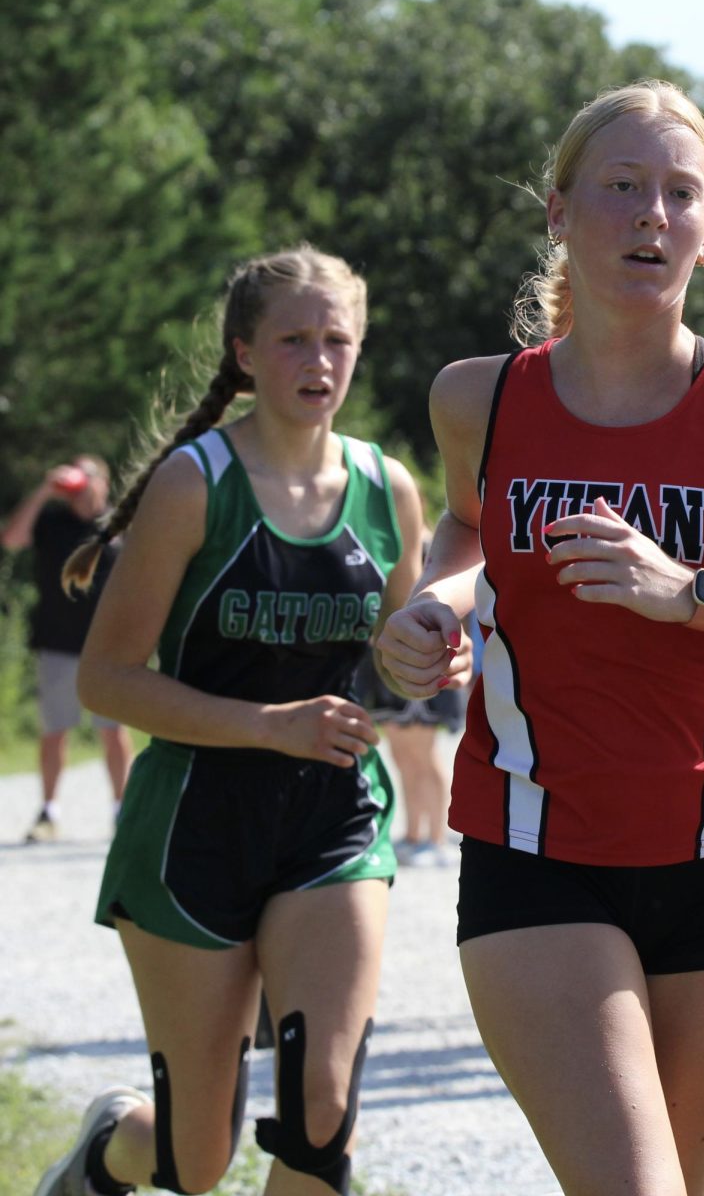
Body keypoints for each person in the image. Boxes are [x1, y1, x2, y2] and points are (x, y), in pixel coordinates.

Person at [375, 80, 704, 1196]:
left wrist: (697, 595)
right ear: (560, 213)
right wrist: (428, 610)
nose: (651, 216)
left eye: (679, 195)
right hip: (536, 851)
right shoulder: (479, 399)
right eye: (621, 188)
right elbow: (472, 536)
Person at [32, 245, 430, 1196]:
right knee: (194, 1160)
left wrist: (426, 655)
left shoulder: (389, 489)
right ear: (246, 353)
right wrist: (268, 724)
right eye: (294, 339)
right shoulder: (192, 485)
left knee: (322, 1110)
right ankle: (102, 1155)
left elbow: (395, 654)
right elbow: (108, 682)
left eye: (338, 340)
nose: (319, 360)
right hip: (193, 826)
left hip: (332, 820)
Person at [0, 455, 133, 841]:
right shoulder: (52, 521)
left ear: (104, 484)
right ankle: (48, 812)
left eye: (89, 477)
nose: (81, 485)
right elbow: (11, 540)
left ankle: (121, 810)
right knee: (55, 730)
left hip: (109, 648)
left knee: (113, 731)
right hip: (57, 644)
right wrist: (45, 490)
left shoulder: (119, 525)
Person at [355, 641, 463, 867]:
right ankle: (413, 835)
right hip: (384, 668)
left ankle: (437, 839)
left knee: (424, 757)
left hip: (416, 662)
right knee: (402, 759)